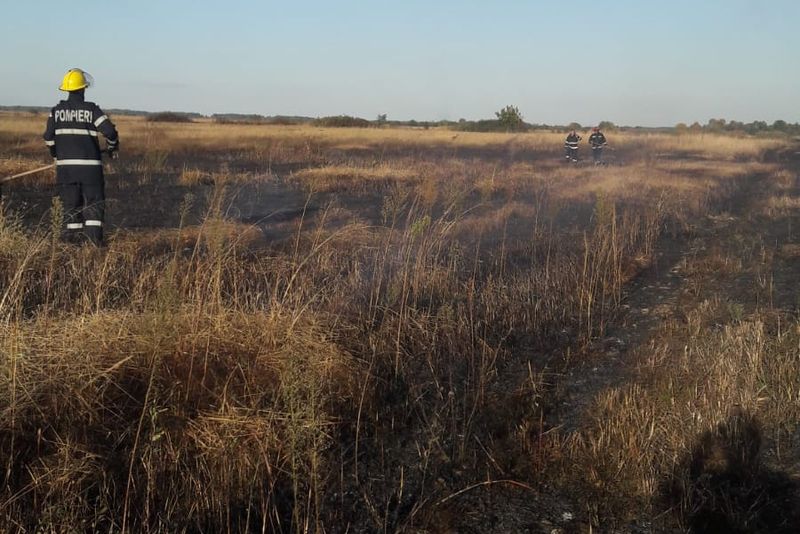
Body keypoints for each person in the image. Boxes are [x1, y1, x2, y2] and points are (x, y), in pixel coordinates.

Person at [43, 68, 119, 246]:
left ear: (67, 89)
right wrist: (112, 147)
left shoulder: (56, 111)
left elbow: (48, 138)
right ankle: (94, 244)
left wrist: (56, 155)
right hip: (90, 170)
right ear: (83, 88)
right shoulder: (92, 109)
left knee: (70, 206)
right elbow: (110, 132)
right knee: (94, 205)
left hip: (66, 170)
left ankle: (71, 244)